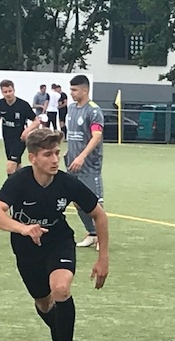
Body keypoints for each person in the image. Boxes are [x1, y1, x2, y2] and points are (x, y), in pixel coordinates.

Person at [0, 128, 109, 341]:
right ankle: (59, 333)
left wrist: (103, 258)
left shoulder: (67, 183)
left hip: (58, 241)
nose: (54, 160)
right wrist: (23, 228)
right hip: (26, 247)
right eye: (47, 154)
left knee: (60, 289)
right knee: (43, 302)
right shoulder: (19, 181)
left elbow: (99, 215)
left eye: (57, 153)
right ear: (32, 158)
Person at [65, 74, 105, 248]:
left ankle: (102, 239)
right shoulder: (71, 108)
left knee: (96, 203)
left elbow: (96, 136)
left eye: (74, 90)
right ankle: (92, 233)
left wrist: (82, 156)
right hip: (72, 163)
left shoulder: (94, 111)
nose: (71, 93)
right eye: (71, 89)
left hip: (89, 165)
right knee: (76, 200)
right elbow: (74, 134)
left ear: (85, 90)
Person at [0, 79, 41, 176]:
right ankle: (23, 184)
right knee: (17, 165)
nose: (8, 94)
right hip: (7, 138)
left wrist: (27, 131)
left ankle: (10, 186)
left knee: (10, 165)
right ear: (2, 92)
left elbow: (36, 121)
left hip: (20, 139)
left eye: (10, 91)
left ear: (14, 90)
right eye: (5, 92)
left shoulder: (23, 105)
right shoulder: (0, 104)